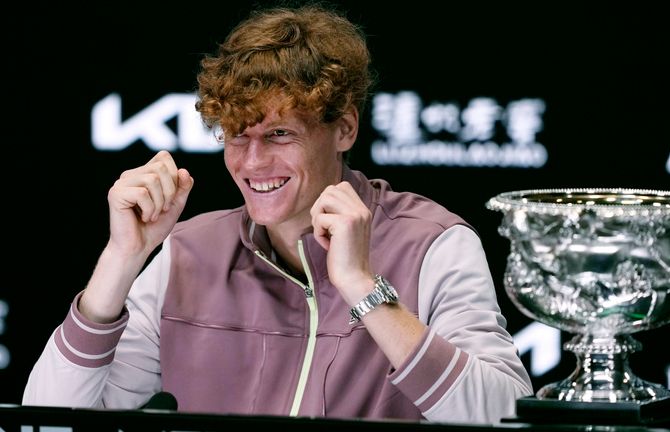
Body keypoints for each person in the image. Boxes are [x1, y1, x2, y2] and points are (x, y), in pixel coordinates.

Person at [22, 2, 533, 424]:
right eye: (237, 136)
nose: (253, 161)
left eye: (280, 134)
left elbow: (502, 417)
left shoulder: (432, 243)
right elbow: (50, 419)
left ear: (345, 129)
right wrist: (121, 256)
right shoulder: (189, 251)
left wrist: (363, 287)